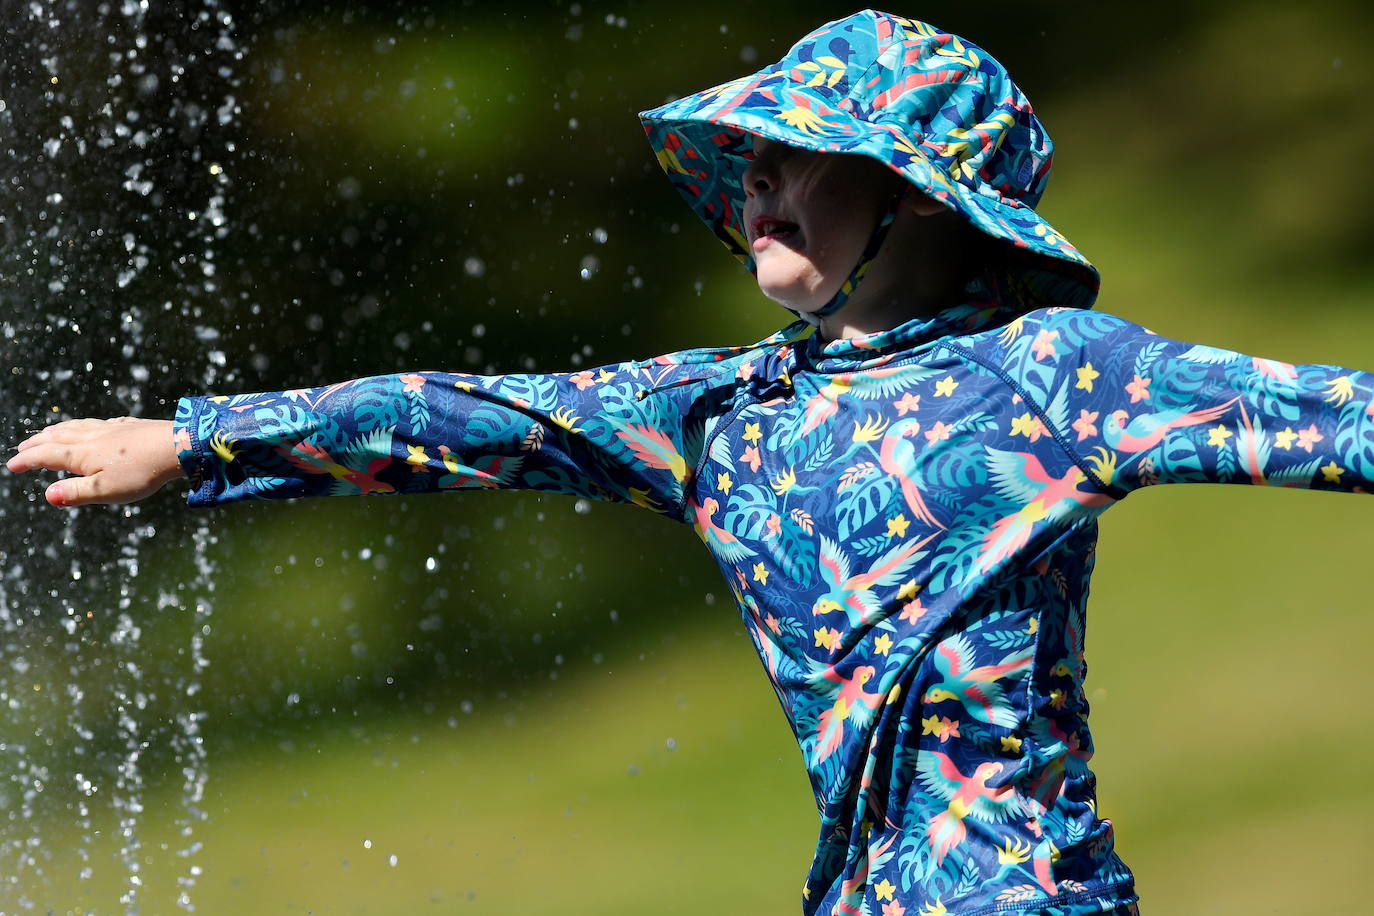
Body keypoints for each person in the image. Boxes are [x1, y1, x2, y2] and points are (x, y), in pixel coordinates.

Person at [7, 10, 1372, 915]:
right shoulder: (724, 408)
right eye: (745, 167)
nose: (755, 190)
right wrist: (195, 441)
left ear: (916, 193)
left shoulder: (1062, 373)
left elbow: (1328, 412)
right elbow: (476, 415)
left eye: (800, 162)